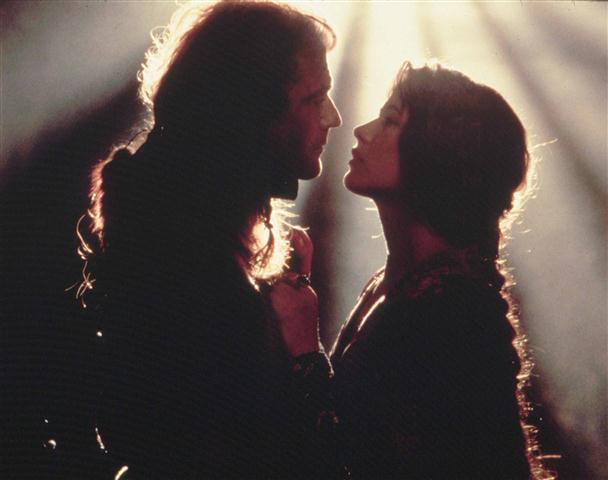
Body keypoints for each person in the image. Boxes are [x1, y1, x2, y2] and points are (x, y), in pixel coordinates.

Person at [23, 2, 341, 479]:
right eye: (315, 99)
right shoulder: (200, 280)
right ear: (251, 114)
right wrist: (302, 358)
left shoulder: (174, 236)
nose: (334, 118)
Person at [271, 61, 554, 479]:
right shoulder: (400, 284)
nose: (361, 130)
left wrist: (305, 357)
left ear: (436, 153)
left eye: (390, 121)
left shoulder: (451, 314)